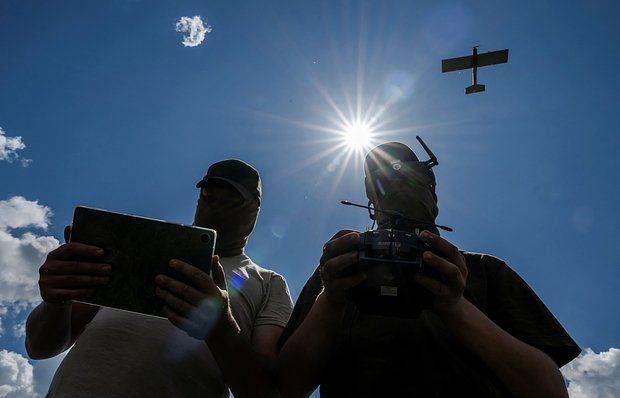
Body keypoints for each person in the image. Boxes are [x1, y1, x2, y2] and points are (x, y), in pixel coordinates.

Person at [278, 141, 581, 397]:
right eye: (384, 184)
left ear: (432, 194)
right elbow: (285, 387)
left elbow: (550, 389)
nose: (397, 188)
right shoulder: (338, 273)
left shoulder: (484, 271)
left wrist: (455, 306)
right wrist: (330, 301)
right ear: (371, 204)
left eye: (410, 179)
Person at [25, 159, 293, 398]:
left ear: (255, 209)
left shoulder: (269, 283)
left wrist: (221, 327)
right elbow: (39, 346)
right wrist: (55, 301)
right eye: (210, 197)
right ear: (199, 199)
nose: (217, 209)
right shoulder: (141, 247)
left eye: (232, 201)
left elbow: (268, 391)